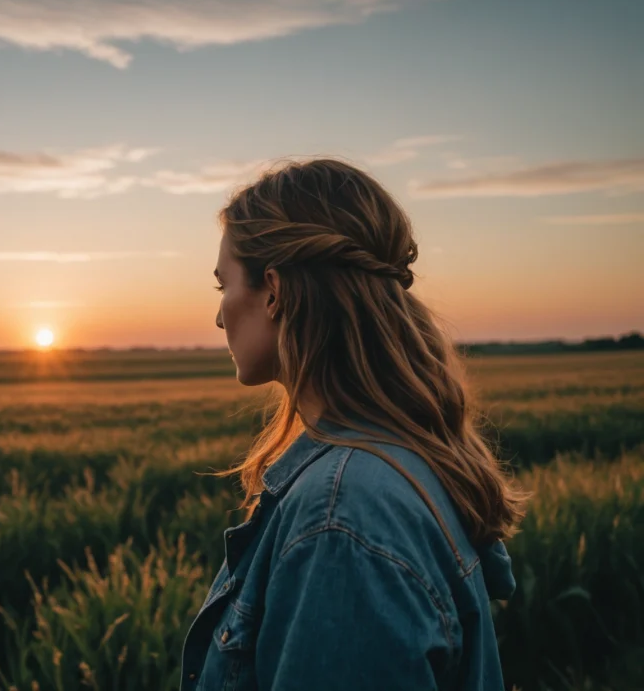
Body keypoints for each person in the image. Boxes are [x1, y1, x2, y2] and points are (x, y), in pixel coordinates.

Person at [180, 158, 531, 691]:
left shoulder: (340, 517)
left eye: (221, 285)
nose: (219, 315)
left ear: (273, 291)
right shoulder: (398, 461)